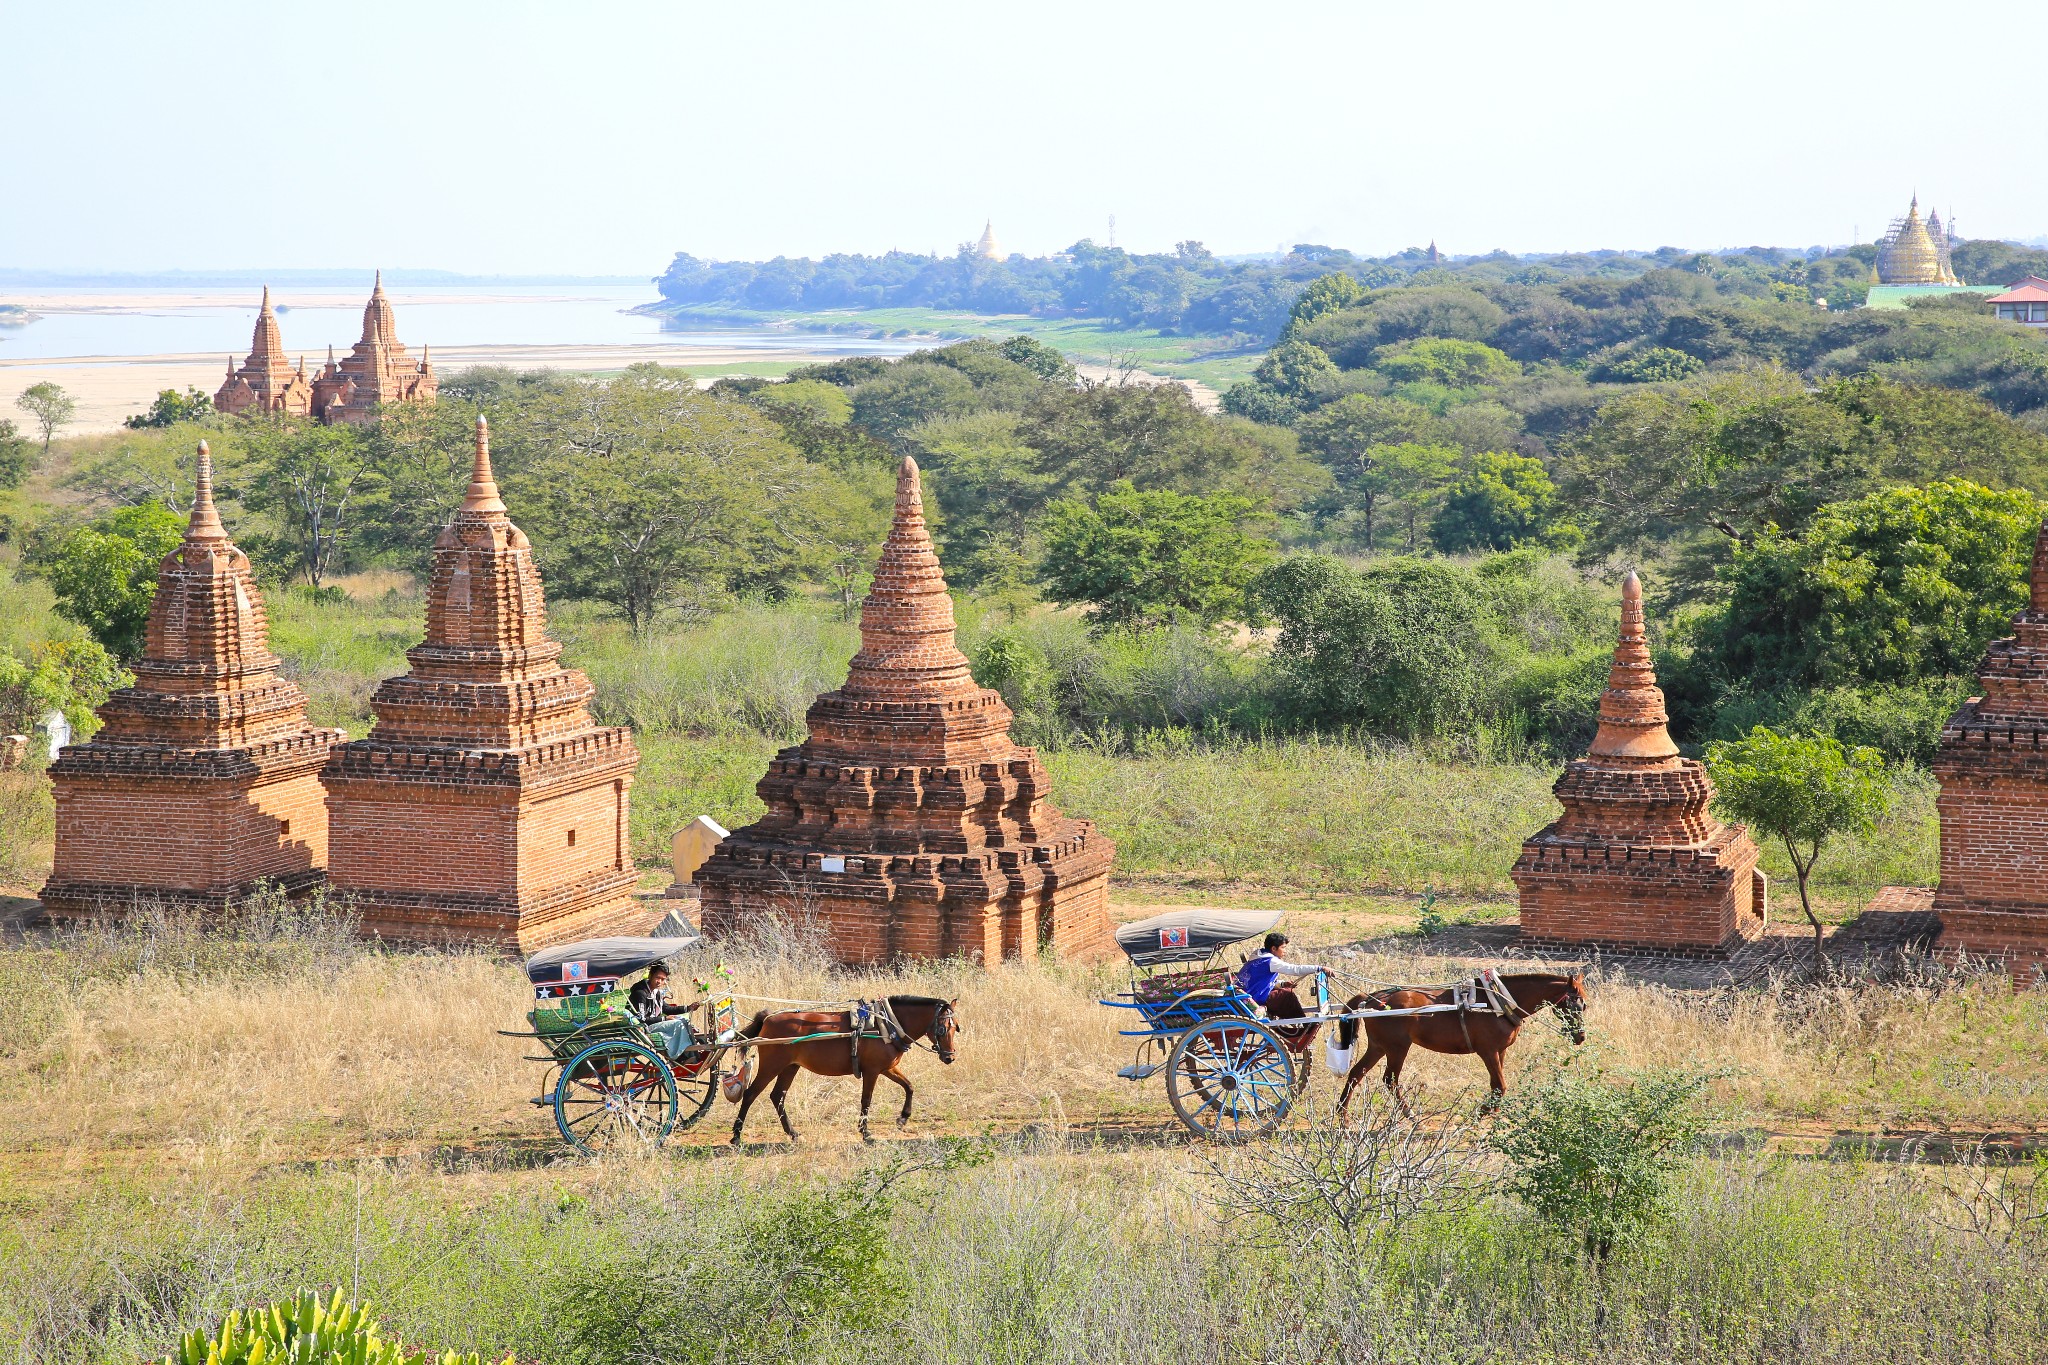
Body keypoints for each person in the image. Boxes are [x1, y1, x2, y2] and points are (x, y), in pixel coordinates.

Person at [1236, 931, 1325, 1018]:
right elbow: (1295, 969)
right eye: (1283, 947)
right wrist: (1319, 968)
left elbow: (1260, 982)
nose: (1285, 951)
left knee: (1284, 992)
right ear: (1274, 948)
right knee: (1287, 994)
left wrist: (1282, 984)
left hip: (1248, 995)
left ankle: (1292, 1024)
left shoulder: (1257, 957)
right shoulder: (1270, 961)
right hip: (1254, 998)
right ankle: (1303, 1023)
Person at [628, 963, 706, 1060]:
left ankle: (692, 1054)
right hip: (643, 1028)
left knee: (684, 1021)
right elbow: (642, 1019)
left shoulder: (655, 992)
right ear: (650, 976)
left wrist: (688, 1008)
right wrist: (664, 1018)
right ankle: (682, 1057)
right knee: (678, 1024)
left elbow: (666, 1009)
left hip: (652, 1024)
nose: (659, 982)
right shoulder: (640, 993)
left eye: (663, 979)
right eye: (657, 978)